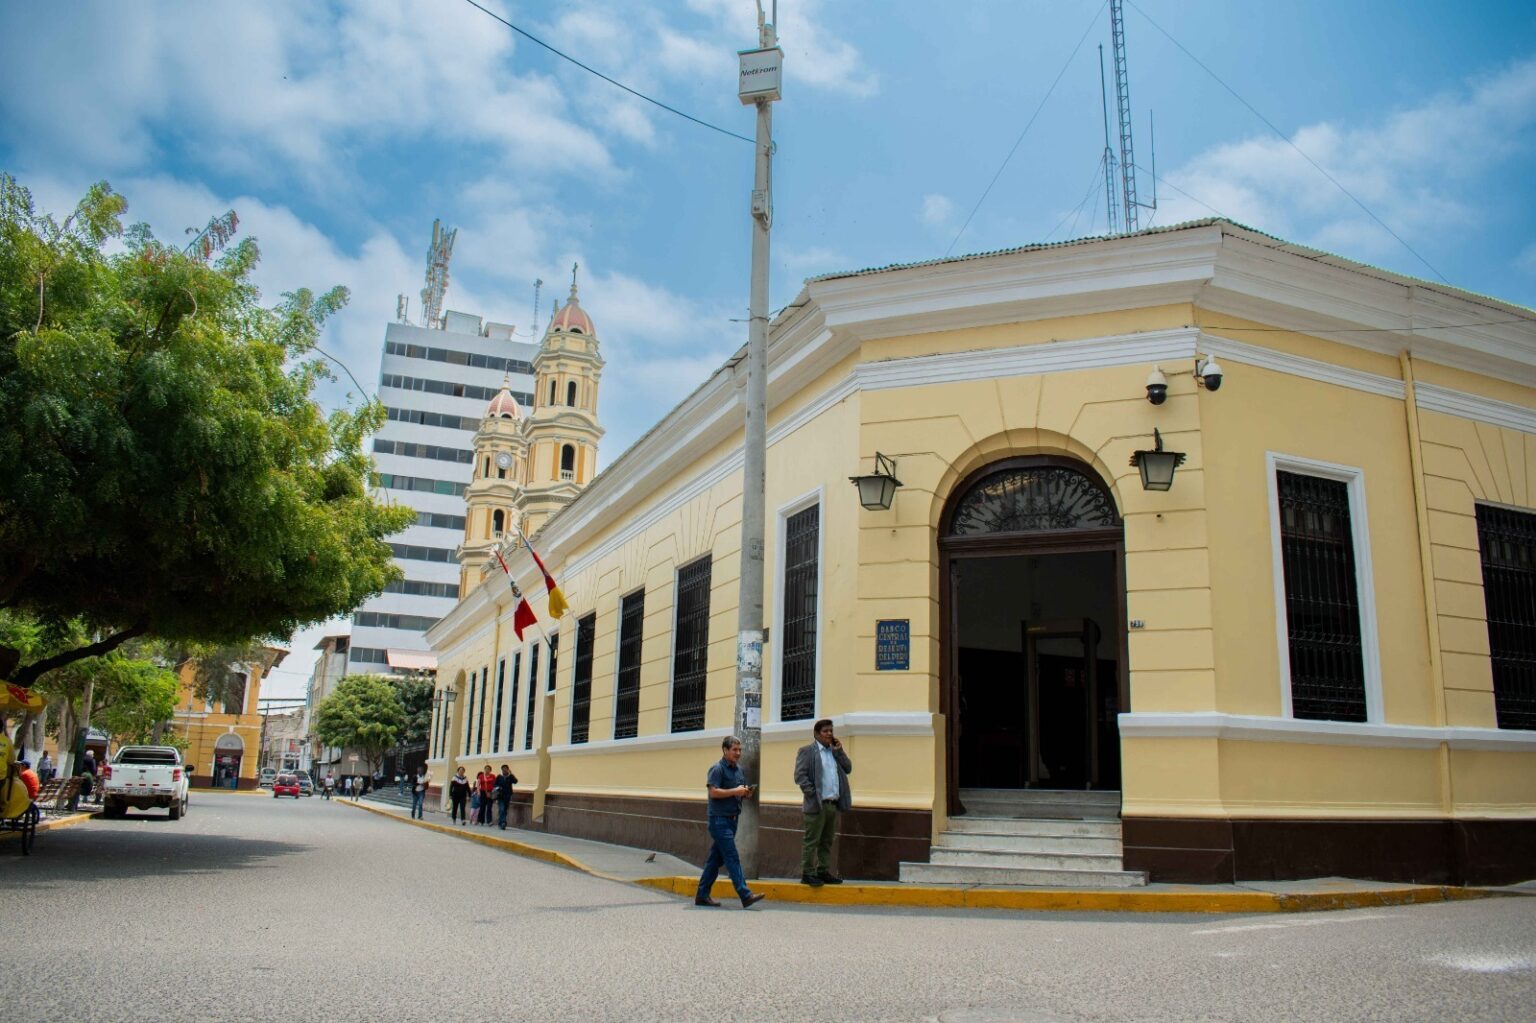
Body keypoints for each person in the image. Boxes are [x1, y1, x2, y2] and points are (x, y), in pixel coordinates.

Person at [694, 735, 765, 910]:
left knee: (715, 860)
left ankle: (702, 895)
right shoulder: (717, 769)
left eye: (739, 750)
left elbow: (739, 791)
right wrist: (735, 791)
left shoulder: (739, 770)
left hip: (733, 819)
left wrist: (746, 793)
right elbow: (714, 792)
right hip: (719, 820)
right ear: (725, 750)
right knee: (732, 856)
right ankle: (745, 894)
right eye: (734, 750)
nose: (738, 753)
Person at [793, 718, 853, 886]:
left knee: (827, 840)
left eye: (831, 731)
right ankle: (807, 872)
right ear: (816, 734)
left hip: (832, 804)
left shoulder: (834, 752)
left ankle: (823, 871)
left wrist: (839, 751)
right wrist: (812, 794)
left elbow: (848, 768)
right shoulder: (807, 751)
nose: (829, 734)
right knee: (812, 840)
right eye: (825, 731)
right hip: (816, 804)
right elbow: (800, 776)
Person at [493, 764, 518, 830]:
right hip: (500, 796)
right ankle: (503, 822)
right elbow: (495, 784)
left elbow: (515, 781)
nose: (504, 770)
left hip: (507, 796)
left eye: (505, 769)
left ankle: (500, 822)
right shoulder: (499, 776)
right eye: (503, 769)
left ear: (507, 769)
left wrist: (511, 774)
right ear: (501, 770)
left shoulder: (510, 776)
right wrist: (498, 787)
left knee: (504, 810)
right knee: (502, 809)